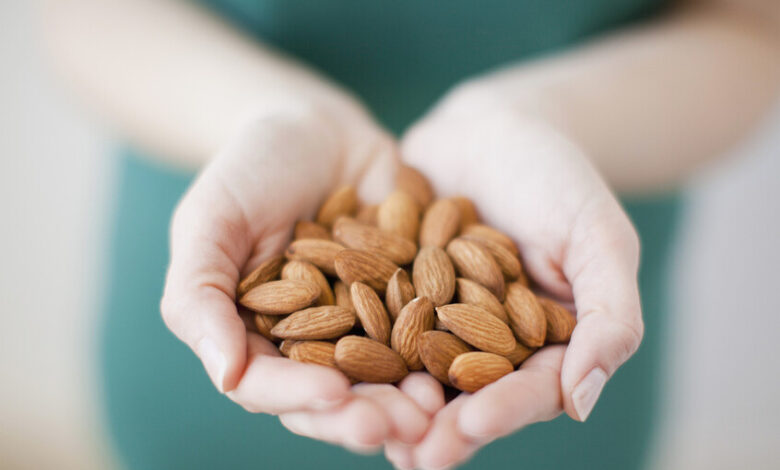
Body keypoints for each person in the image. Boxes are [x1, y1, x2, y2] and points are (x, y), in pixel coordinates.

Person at [41, 0, 780, 468]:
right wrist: (265, 115)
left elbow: (751, 29)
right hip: (229, 279)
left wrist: (550, 117)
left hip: (560, 316)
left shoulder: (479, 290)